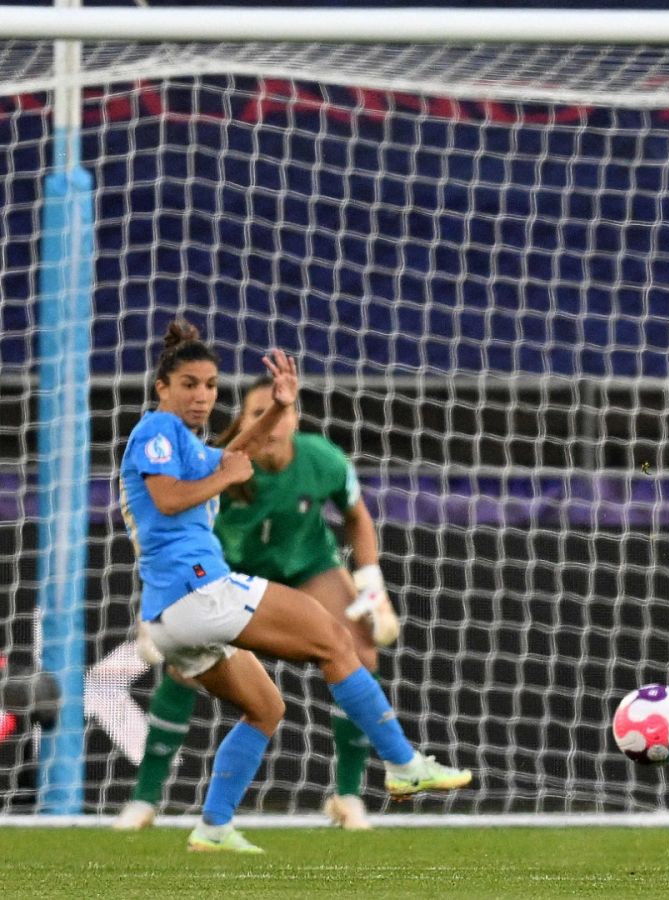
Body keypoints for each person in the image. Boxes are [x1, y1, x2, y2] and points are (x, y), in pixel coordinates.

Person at [117, 320, 469, 853]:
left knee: (266, 707)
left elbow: (240, 450)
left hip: (171, 617)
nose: (202, 395)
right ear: (162, 387)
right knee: (335, 640)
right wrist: (225, 479)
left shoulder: (185, 441)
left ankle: (213, 827)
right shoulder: (155, 432)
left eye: (210, 385)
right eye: (189, 384)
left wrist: (280, 406)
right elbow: (169, 499)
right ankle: (402, 765)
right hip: (199, 592)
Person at [113, 373, 401, 832]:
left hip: (307, 566)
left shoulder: (322, 460)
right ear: (245, 422)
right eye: (255, 413)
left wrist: (371, 586)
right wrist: (155, 608)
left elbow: (357, 517)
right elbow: (169, 533)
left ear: (293, 418)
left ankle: (347, 796)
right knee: (181, 667)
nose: (271, 424)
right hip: (231, 571)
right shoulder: (224, 468)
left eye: (278, 412)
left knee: (360, 652)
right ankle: (144, 799)